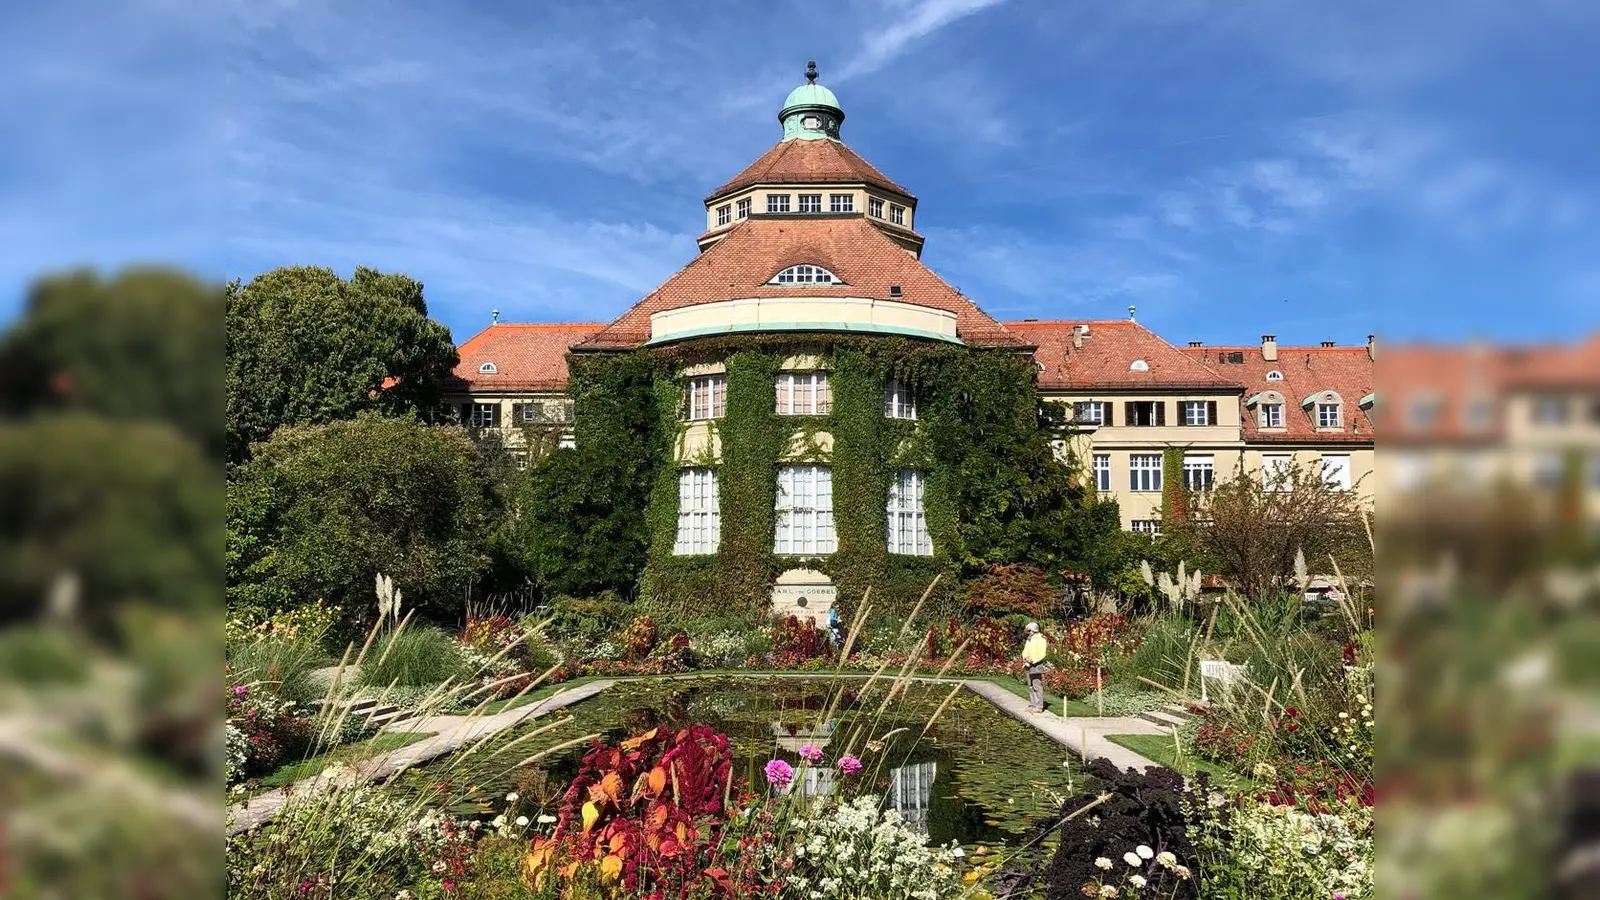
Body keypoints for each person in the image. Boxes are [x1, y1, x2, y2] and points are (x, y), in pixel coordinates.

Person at [1021, 622, 1049, 714]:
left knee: (1037, 685)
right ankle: (1033, 704)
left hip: (1036, 665)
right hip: (1027, 664)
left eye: (1029, 630)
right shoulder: (1029, 639)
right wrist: (1025, 657)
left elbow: (1042, 653)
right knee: (1030, 686)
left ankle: (1039, 706)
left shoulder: (1041, 639)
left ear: (1034, 630)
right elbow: (1025, 650)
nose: (1028, 632)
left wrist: (1032, 660)